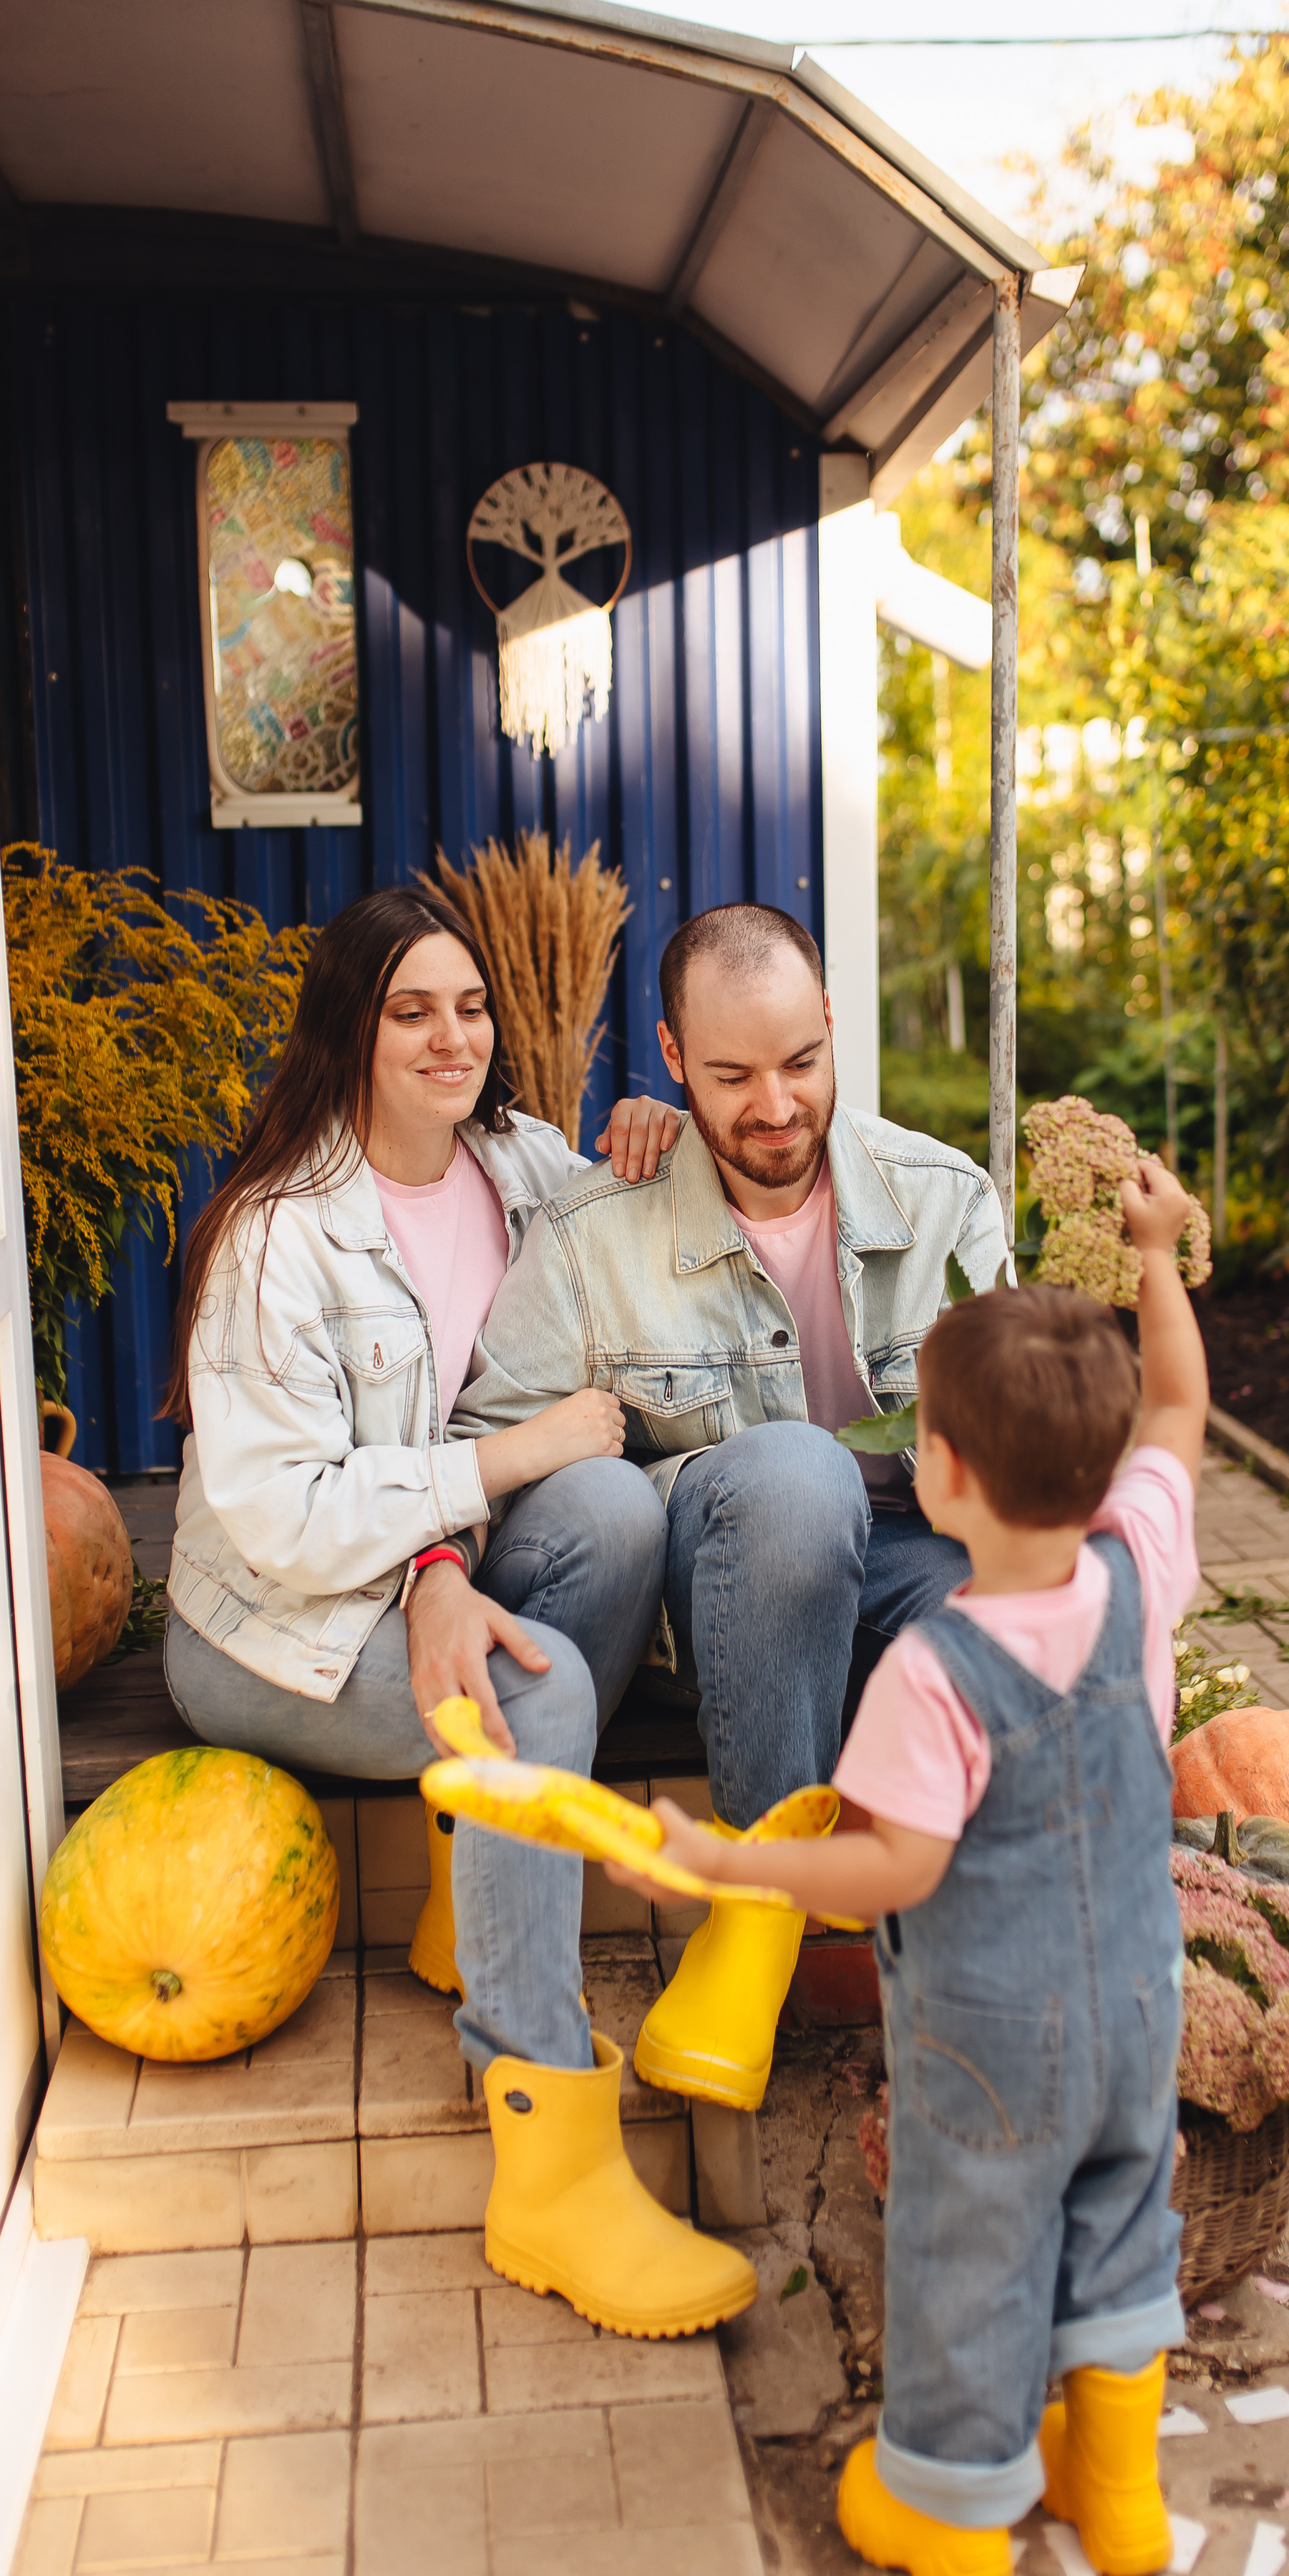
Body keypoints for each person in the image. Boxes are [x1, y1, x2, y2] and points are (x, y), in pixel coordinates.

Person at [160, 884, 756, 2339]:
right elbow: (287, 1520)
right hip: (278, 1630)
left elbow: (654, 1213)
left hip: (428, 1570)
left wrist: (654, 1129)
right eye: (410, 1009)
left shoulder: (519, 1167)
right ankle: (544, 2156)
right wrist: (483, 1487)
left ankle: (461, 1900)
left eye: (469, 1005)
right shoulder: (275, 1236)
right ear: (348, 1031)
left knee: (615, 1516)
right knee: (534, 1698)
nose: (451, 1037)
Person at [613, 1171, 1207, 2576]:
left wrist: (718, 1857)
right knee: (1122, 2218)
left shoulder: (936, 1669)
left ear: (935, 1475)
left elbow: (892, 1866)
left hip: (982, 2039)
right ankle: (1117, 2492)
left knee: (971, 2253)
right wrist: (1153, 1255)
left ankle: (950, 2510)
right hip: (1138, 2002)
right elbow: (1180, 1413)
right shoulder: (1135, 1570)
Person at [419, 900, 1010, 2112]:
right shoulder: (596, 1234)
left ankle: (997, 1991)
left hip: (906, 1554)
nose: (777, 1106)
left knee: (1025, 1623)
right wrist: (434, 1582)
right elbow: (486, 1443)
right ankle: (756, 1920)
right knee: (800, 1473)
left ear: (835, 1028)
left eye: (801, 1062)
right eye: (732, 1075)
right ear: (673, 1059)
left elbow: (1021, 1448)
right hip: (730, 1564)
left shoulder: (946, 1201)